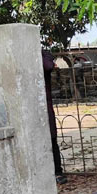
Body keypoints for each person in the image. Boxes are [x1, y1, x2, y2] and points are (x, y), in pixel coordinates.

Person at [41, 49, 67, 185]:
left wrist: (37, 52)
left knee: (52, 140)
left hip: (45, 105)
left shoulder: (44, 55)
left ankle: (58, 172)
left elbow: (48, 66)